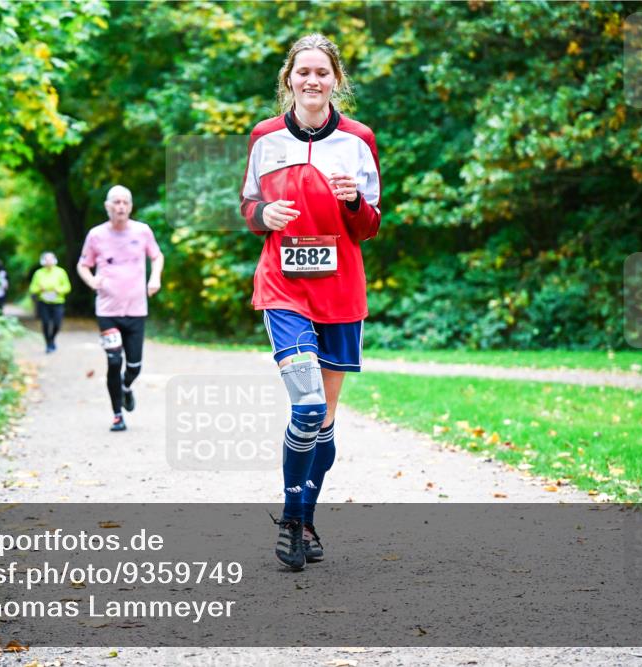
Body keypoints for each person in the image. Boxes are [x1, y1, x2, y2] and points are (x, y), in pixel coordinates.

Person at [240, 33, 382, 570]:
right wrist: (263, 218)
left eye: (323, 72)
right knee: (307, 407)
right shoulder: (265, 137)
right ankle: (291, 519)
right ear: (289, 79)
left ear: (336, 80)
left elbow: (370, 226)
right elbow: (249, 206)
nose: (313, 80)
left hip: (342, 290)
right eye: (303, 72)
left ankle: (306, 516)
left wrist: (352, 202)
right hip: (284, 287)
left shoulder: (359, 140)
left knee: (324, 424)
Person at [77, 185, 164, 432]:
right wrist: (91, 280)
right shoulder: (96, 235)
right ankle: (117, 415)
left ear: (131, 206)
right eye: (116, 202)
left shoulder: (142, 231)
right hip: (107, 310)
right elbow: (83, 265)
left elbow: (157, 256)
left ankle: (126, 387)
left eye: (125, 202)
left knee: (134, 366)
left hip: (136, 309)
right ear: (107, 207)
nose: (121, 207)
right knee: (114, 361)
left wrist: (155, 278)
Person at [28, 251, 71, 353]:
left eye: (51, 259)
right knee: (46, 323)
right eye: (47, 259)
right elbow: (32, 288)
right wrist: (39, 289)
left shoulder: (61, 272)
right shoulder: (38, 273)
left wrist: (58, 290)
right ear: (43, 261)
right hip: (44, 302)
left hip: (58, 302)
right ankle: (48, 344)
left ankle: (52, 339)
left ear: (54, 260)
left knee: (57, 323)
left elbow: (67, 287)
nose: (49, 261)